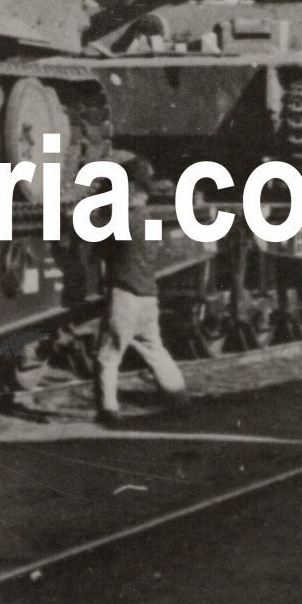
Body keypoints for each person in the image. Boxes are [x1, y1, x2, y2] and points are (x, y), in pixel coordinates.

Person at [96, 161, 188, 424]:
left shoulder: (122, 220)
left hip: (125, 296)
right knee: (155, 350)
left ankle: (109, 411)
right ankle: (180, 398)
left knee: (108, 356)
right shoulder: (149, 222)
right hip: (149, 297)